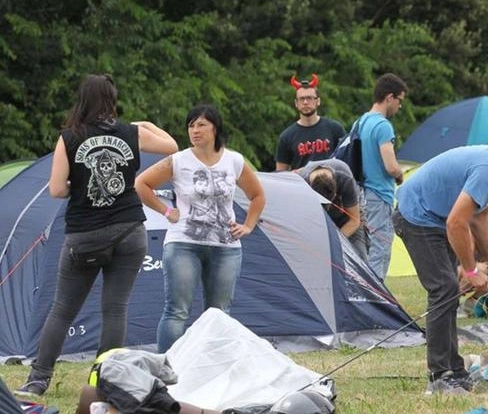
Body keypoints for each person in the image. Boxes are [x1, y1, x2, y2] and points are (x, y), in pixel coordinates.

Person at [17, 74, 178, 397]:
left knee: (62, 309)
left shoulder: (69, 137)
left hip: (85, 234)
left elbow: (55, 189)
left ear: (82, 100)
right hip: (130, 231)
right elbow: (172, 146)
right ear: (111, 99)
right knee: (115, 309)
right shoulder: (130, 133)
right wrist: (143, 123)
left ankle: (38, 379)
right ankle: (106, 380)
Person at [393, 120, 488, 394]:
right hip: (417, 215)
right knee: (444, 289)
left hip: (435, 216)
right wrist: (472, 271)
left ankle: (455, 370)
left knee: (449, 290)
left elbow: (478, 217)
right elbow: (456, 222)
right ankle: (440, 376)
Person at [135, 104, 266, 353]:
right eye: (191, 126)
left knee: (219, 314)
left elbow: (257, 195)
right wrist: (166, 211)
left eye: (201, 125)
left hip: (225, 246)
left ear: (215, 128)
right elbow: (142, 184)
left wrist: (248, 225)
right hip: (183, 243)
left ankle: (210, 368)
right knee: (176, 311)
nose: (195, 131)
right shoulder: (178, 160)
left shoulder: (234, 160)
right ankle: (167, 368)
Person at [359, 73, 408, 279]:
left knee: (366, 248)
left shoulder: (362, 121)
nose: (399, 106)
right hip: (379, 195)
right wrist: (399, 175)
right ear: (389, 97)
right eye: (399, 101)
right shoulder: (382, 126)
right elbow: (390, 166)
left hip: (362, 194)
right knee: (380, 249)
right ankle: (375, 301)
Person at [297, 158, 367, 259]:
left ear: (335, 194)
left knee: (359, 255)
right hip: (316, 222)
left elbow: (354, 221)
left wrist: (334, 241)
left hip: (348, 218)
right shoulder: (300, 184)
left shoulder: (345, 179)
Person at [275, 74, 346, 171]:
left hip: (332, 184)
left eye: (309, 98)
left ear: (318, 101)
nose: (305, 102)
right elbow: (280, 174)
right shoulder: (287, 137)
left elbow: (347, 161)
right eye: (301, 99)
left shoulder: (335, 129)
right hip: (302, 185)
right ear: (296, 103)